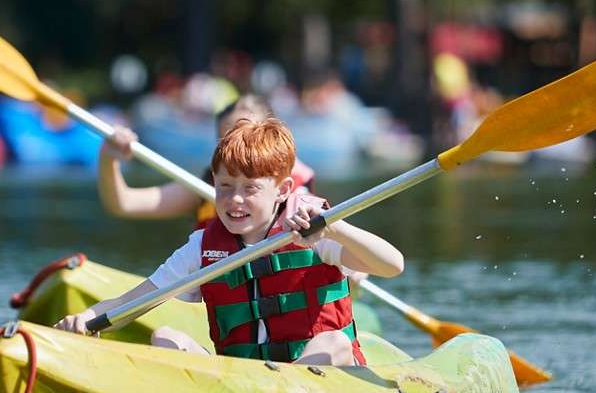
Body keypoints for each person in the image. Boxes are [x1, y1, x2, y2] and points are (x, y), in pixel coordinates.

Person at [57, 119, 403, 366]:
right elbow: (134, 300)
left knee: (334, 343)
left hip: (316, 377)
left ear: (282, 189)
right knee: (166, 337)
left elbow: (393, 265)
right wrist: (86, 318)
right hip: (245, 382)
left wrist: (335, 230)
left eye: (250, 188)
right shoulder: (202, 246)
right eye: (225, 187)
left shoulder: (311, 228)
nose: (234, 200)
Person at [98, 93, 314, 224]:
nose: (239, 147)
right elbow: (123, 203)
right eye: (229, 138)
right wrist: (108, 159)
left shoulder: (291, 190)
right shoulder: (205, 186)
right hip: (218, 295)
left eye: (250, 136)